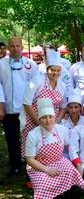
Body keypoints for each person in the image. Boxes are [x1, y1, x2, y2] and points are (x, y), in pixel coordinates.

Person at [24, 98, 84, 199]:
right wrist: (46, 169)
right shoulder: (32, 135)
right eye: (44, 118)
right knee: (43, 183)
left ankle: (66, 192)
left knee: (70, 171)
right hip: (39, 166)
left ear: (54, 117)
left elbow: (70, 147)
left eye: (50, 117)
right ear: (39, 119)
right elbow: (29, 159)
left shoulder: (61, 129)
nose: (48, 121)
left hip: (59, 161)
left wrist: (77, 163)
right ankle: (57, 193)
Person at [0, 36, 38, 176]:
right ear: (8, 48)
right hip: (9, 109)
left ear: (22, 47)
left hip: (27, 109)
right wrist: (1, 106)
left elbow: (37, 86)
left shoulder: (31, 64)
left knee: (29, 138)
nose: (15, 48)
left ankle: (31, 166)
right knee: (11, 139)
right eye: (12, 46)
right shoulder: (1, 64)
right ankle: (15, 165)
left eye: (17, 46)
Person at [20, 49, 67, 157]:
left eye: (58, 70)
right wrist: (39, 123)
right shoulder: (37, 80)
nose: (55, 72)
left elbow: (63, 107)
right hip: (32, 120)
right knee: (33, 147)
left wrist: (54, 123)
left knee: (47, 147)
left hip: (51, 121)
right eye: (52, 70)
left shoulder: (62, 86)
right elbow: (27, 103)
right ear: (47, 69)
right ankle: (31, 168)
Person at [60, 89, 84, 158]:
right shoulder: (63, 123)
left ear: (80, 108)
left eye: (76, 107)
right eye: (71, 107)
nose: (73, 110)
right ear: (67, 108)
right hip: (66, 155)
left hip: (83, 155)